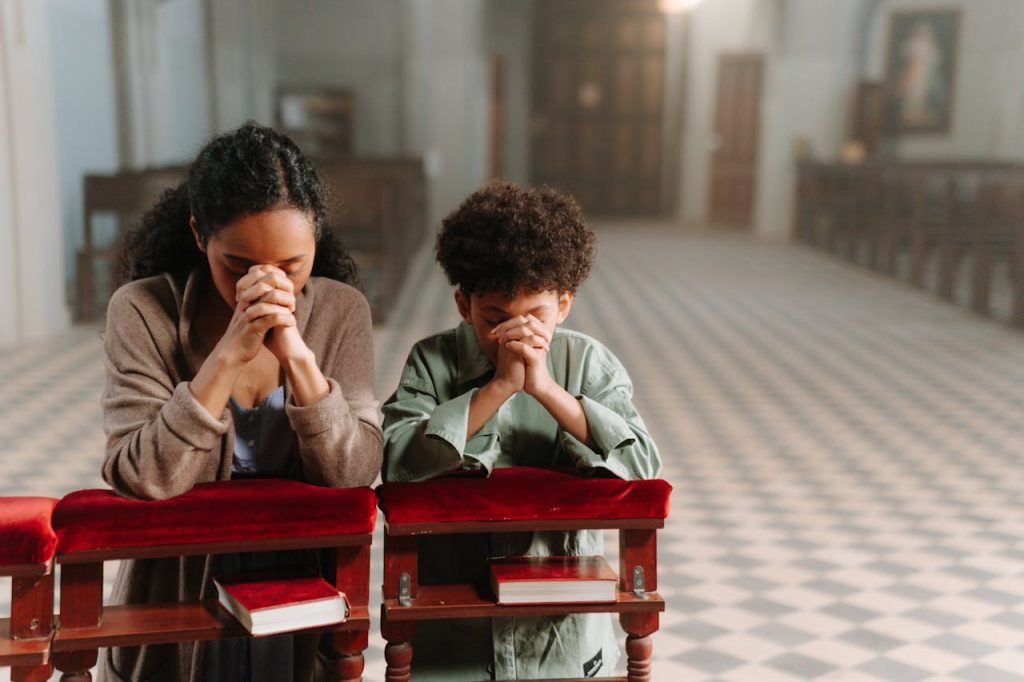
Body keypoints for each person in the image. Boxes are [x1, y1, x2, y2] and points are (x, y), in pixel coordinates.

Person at [99, 122, 382, 681]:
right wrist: (228, 354)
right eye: (239, 266)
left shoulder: (342, 311)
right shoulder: (140, 311)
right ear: (199, 234)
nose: (266, 284)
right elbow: (142, 475)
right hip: (176, 596)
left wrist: (298, 358)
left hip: (300, 595)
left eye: (291, 266)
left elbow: (354, 472)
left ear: (316, 240)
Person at [381, 180, 661, 679]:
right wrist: (501, 387)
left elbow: (640, 465)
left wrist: (547, 390)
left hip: (561, 634)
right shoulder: (431, 361)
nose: (516, 335)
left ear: (565, 305)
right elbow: (397, 464)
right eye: (495, 319)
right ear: (463, 305)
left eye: (536, 316)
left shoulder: (589, 362)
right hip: (455, 631)